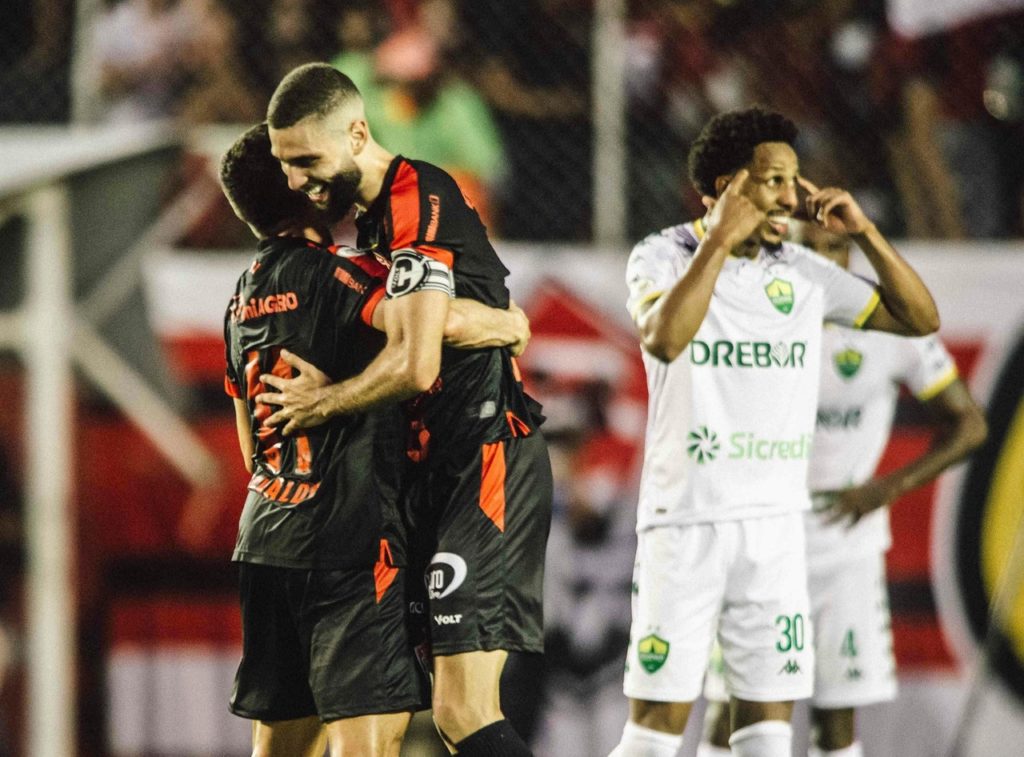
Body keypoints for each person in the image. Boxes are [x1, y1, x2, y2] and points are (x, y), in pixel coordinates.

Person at [610, 106, 940, 757]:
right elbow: (665, 338)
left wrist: (867, 232)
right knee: (653, 735)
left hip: (776, 530)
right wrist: (718, 242)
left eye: (795, 180)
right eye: (774, 181)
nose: (793, 197)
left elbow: (919, 317)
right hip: (688, 525)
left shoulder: (802, 270)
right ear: (729, 187)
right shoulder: (662, 253)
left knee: (766, 736)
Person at [256, 63, 552, 757]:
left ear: (358, 133)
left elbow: (417, 360)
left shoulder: (417, 195)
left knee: (463, 710)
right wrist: (502, 322)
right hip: (431, 474)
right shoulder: (369, 226)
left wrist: (322, 403)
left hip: (484, 459)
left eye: (306, 160)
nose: (296, 179)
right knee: (413, 712)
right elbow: (434, 321)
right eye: (283, 164)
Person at [698, 221, 988, 757]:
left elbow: (969, 425)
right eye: (810, 248)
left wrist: (884, 488)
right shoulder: (750, 318)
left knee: (835, 723)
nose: (825, 259)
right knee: (737, 713)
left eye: (836, 247)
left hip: (845, 553)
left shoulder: (888, 328)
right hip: (763, 546)